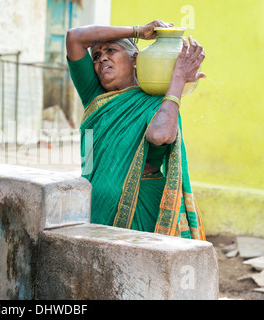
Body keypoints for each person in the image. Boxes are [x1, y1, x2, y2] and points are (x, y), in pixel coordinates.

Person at [66, 20, 206, 240]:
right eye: (96, 56)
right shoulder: (95, 96)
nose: (102, 57)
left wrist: (177, 81)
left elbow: (159, 135)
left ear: (135, 60)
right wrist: (138, 31)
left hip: (144, 206)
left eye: (111, 50)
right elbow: (74, 38)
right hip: (96, 208)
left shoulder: (160, 102)